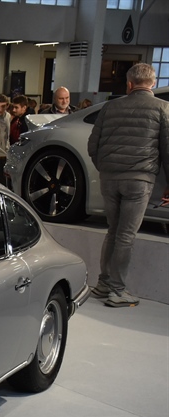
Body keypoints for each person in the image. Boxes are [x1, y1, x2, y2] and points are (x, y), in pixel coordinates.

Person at [86, 62, 169, 308]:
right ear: (153, 83)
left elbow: (93, 145)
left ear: (129, 84)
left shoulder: (110, 107)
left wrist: (106, 168)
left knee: (113, 231)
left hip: (109, 178)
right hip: (139, 180)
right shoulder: (163, 108)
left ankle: (103, 284)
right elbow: (167, 150)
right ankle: (117, 290)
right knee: (126, 235)